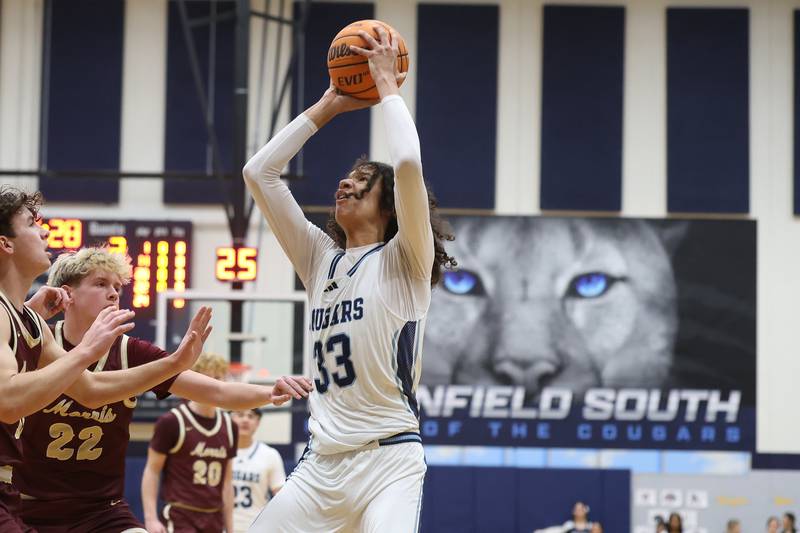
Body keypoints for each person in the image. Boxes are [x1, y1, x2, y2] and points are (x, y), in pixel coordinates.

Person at [242, 23, 454, 533]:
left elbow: (407, 161)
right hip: (321, 465)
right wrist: (327, 107)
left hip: (389, 460)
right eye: (347, 177)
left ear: (390, 205)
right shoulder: (320, 259)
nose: (345, 182)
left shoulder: (405, 259)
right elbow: (259, 173)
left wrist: (386, 87)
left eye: (361, 181)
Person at [17, 246, 312, 532]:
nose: (114, 294)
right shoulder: (37, 343)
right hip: (29, 503)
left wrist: (269, 392)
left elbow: (217, 392)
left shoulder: (131, 352)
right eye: (101, 283)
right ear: (68, 294)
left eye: (117, 287)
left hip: (101, 510)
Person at [0, 186, 209, 531]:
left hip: (78, 505)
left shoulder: (29, 321)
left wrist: (174, 364)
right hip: (30, 499)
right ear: (6, 244)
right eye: (31, 224)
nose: (44, 232)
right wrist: (86, 351)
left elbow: (90, 391)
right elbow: (7, 401)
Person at [142, 353, 238, 533]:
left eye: (217, 378)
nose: (213, 383)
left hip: (214, 518)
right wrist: (150, 518)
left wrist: (231, 528)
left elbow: (227, 483)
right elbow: (152, 470)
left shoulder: (230, 425)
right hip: (180, 516)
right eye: (207, 378)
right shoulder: (172, 421)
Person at [231, 408, 286, 533]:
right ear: (231, 418)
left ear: (258, 422)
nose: (245, 420)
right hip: (221, 526)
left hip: (256, 527)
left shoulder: (270, 454)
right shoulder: (219, 451)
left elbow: (281, 496)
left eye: (251, 416)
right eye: (240, 414)